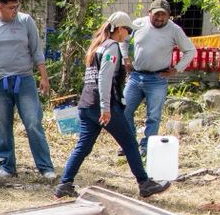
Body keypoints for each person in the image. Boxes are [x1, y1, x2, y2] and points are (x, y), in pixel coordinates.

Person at [54, 12, 171, 200]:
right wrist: (105, 108)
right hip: (103, 106)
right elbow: (104, 78)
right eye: (128, 30)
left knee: (82, 147)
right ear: (119, 29)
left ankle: (64, 184)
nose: (129, 35)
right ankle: (144, 184)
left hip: (86, 105)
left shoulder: (97, 46)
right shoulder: (112, 48)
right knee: (130, 143)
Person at [0, 0, 56, 180]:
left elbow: (36, 51)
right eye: (11, 8)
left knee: (33, 122)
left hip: (23, 80)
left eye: (17, 7)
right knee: (2, 125)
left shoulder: (26, 21)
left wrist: (44, 77)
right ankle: (7, 166)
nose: (15, 11)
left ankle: (45, 166)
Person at [123, 0, 195, 155]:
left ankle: (147, 147)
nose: (160, 18)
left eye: (164, 15)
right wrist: (125, 57)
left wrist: (177, 69)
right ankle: (129, 144)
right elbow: (123, 39)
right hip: (136, 76)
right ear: (149, 13)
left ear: (169, 15)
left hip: (158, 79)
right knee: (124, 110)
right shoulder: (138, 24)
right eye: (157, 14)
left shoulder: (174, 29)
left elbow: (190, 51)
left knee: (153, 116)